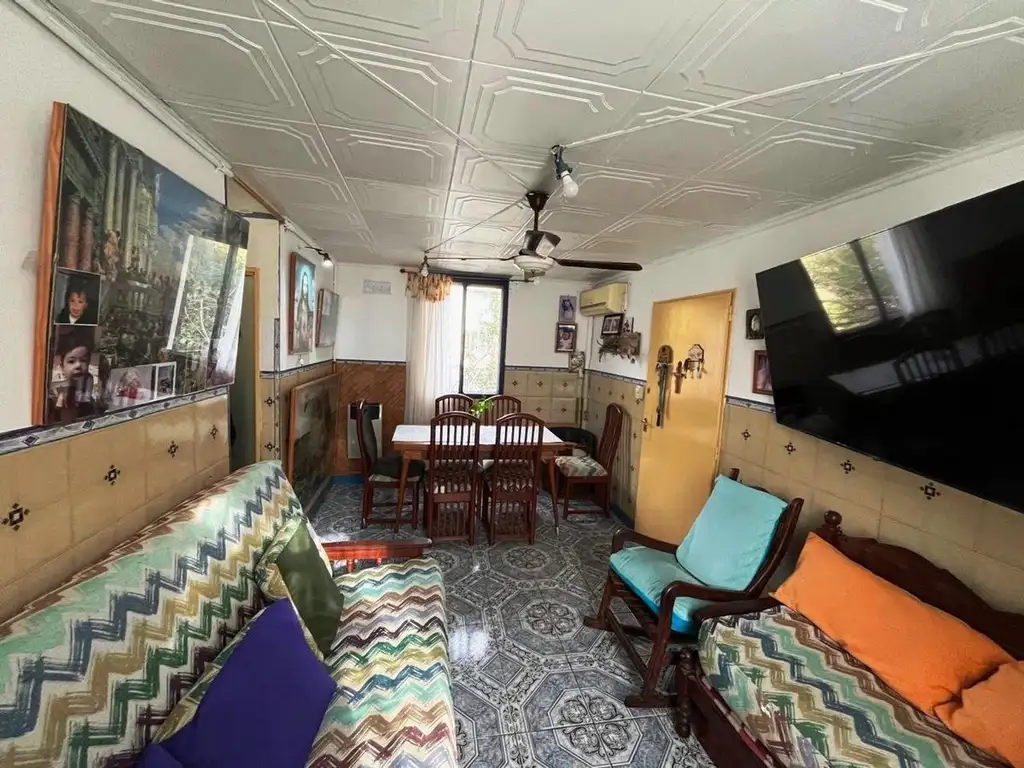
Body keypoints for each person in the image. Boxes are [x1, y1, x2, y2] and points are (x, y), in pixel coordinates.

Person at [50, 329, 98, 420]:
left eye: (83, 360)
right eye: (71, 361)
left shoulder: (88, 379)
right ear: (62, 364)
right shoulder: (56, 384)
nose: (78, 365)